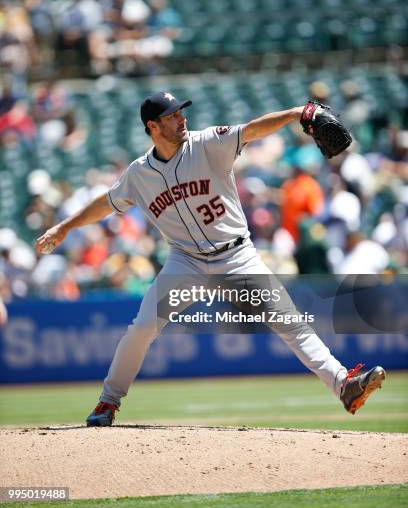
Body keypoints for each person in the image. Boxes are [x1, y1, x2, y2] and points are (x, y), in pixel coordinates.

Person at [36, 92, 386, 426]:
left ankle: (344, 385)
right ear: (152, 127)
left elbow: (252, 129)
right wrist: (65, 228)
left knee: (289, 322)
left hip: (236, 257)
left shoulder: (207, 143)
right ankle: (108, 401)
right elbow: (106, 203)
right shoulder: (138, 174)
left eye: (180, 112)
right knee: (142, 327)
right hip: (185, 263)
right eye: (170, 116)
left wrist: (297, 113)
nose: (180, 119)